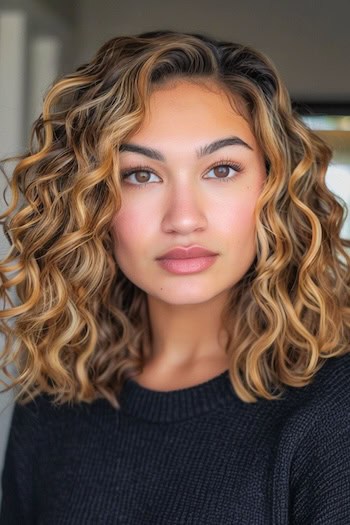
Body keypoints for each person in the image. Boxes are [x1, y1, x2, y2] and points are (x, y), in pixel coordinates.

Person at [0, 29, 349, 524]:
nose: (184, 218)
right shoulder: (52, 398)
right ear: (92, 200)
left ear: (272, 188)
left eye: (222, 169)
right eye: (140, 174)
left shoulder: (334, 410)